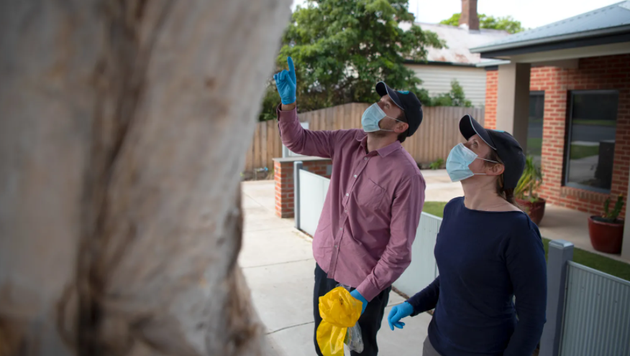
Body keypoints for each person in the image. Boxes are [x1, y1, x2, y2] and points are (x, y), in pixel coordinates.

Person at [274, 57, 426, 356]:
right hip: (325, 269)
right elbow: (298, 140)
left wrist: (362, 294)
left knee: (358, 353)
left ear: (400, 126)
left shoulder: (407, 176)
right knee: (325, 346)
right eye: (379, 100)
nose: (376, 106)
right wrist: (289, 104)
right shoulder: (347, 141)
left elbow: (399, 251)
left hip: (361, 287)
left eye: (386, 106)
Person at [387, 114, 547, 356]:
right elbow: (452, 279)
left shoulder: (518, 230)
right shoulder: (453, 209)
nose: (461, 146)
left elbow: (532, 317)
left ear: (495, 168)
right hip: (436, 344)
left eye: (474, 145)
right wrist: (413, 304)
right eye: (467, 141)